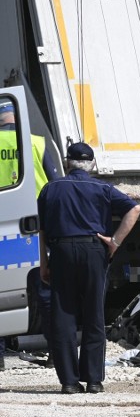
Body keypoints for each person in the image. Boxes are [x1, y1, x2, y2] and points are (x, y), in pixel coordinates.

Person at [37, 142, 140, 394]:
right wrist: (114, 241)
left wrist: (44, 264)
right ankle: (94, 380)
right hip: (94, 249)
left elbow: (42, 229)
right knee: (93, 314)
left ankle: (69, 382)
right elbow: (134, 208)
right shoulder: (102, 188)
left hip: (61, 251)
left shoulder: (50, 189)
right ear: (92, 164)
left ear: (66, 163)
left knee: (63, 315)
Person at [0, 101, 60, 371]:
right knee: (46, 294)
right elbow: (55, 184)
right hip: (37, 230)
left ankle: (0, 356)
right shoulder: (36, 141)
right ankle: (56, 352)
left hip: (4, 228)